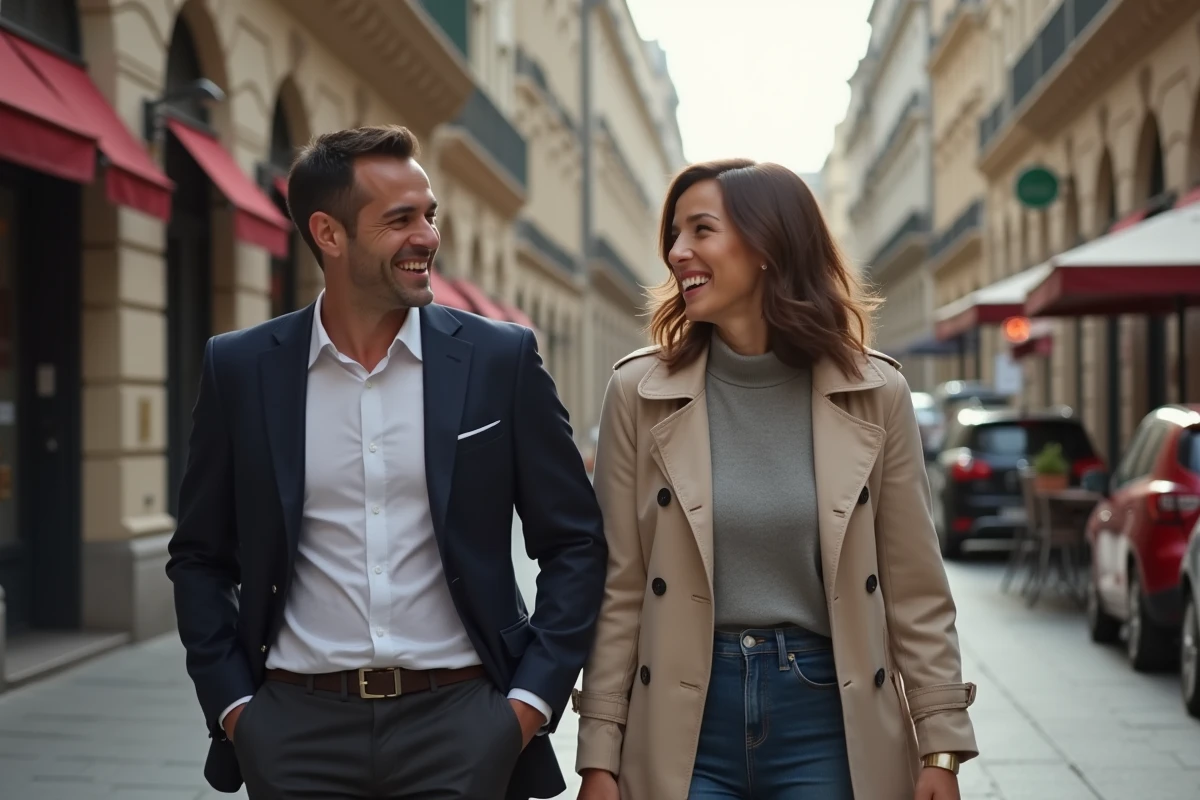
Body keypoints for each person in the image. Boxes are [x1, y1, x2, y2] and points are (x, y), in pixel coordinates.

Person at [166, 125, 607, 800]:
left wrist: (525, 707)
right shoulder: (242, 369)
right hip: (296, 731)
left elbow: (574, 540)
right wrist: (236, 712)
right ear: (329, 234)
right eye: (400, 219)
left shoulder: (499, 361)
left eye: (429, 215)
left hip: (463, 724)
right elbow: (199, 555)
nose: (427, 237)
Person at [572, 159, 978, 800]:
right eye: (674, 235)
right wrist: (598, 751)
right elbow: (619, 585)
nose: (678, 253)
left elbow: (914, 587)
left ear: (767, 246)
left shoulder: (876, 392)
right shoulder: (637, 392)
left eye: (701, 230)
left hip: (828, 713)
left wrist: (942, 744)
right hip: (682, 715)